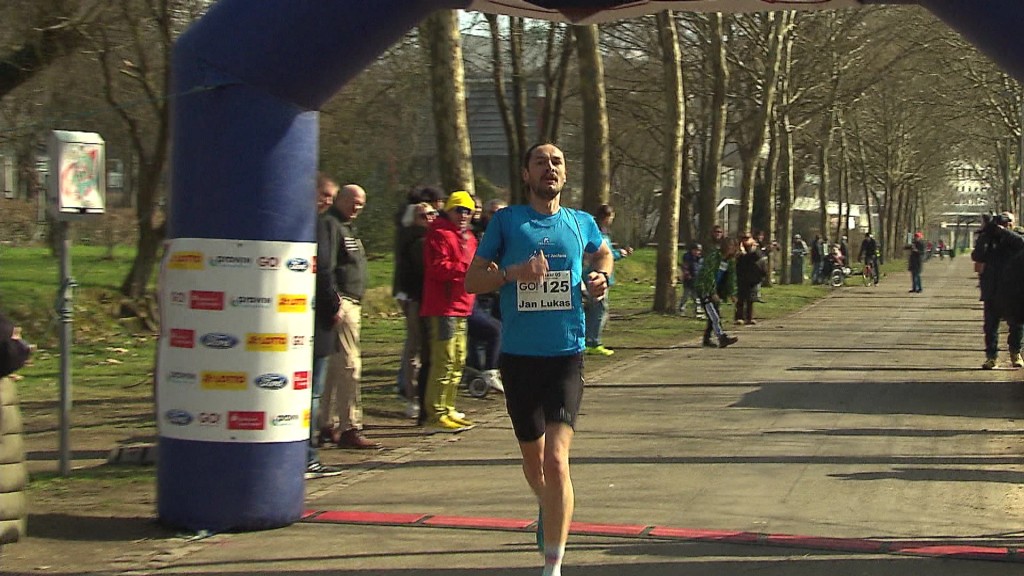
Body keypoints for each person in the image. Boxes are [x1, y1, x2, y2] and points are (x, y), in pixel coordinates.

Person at [465, 143, 613, 576]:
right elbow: (473, 279)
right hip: (519, 358)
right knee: (534, 463)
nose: (549, 168)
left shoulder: (581, 222)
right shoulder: (507, 222)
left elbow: (602, 252)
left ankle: (553, 565)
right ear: (526, 174)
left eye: (557, 162)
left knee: (557, 459)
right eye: (540, 162)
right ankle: (547, 506)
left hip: (566, 355)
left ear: (565, 175)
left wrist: (601, 275)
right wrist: (513, 273)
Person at [317, 183, 381, 449]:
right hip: (342, 304)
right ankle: (350, 426)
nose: (357, 208)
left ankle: (325, 423)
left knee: (335, 369)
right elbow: (326, 266)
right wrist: (335, 302)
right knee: (349, 366)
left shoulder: (348, 228)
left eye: (361, 204)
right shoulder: (330, 225)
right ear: (339, 199)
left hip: (352, 302)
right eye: (352, 201)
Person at [419, 191, 479, 431]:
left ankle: (449, 406)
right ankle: (436, 413)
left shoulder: (469, 237)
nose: (463, 215)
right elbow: (438, 267)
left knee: (458, 360)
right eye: (459, 210)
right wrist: (469, 269)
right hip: (443, 307)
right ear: (449, 210)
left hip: (463, 305)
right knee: (443, 360)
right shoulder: (440, 233)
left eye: (468, 211)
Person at [308, 174, 344, 477]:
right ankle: (308, 455)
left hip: (303, 320)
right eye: (324, 195)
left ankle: (307, 452)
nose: (327, 202)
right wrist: (334, 305)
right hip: (314, 321)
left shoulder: (317, 223)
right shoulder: (317, 226)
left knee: (312, 391)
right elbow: (324, 272)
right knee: (312, 392)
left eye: (331, 197)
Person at [395, 200, 437, 418]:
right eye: (424, 215)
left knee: (427, 350)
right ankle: (412, 397)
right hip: (417, 301)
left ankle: (424, 398)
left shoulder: (430, 238)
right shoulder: (414, 240)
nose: (429, 218)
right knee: (415, 350)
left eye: (432, 214)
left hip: (429, 301)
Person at [971, 212, 1024, 369]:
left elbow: (1021, 243)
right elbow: (977, 256)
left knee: (1017, 325)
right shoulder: (989, 238)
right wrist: (986, 233)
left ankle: (1015, 352)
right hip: (992, 288)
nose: (1005, 224)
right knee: (990, 326)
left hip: (1014, 290)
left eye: (1008, 222)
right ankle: (991, 357)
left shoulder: (1017, 236)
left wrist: (1003, 231)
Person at [467, 198, 507, 393]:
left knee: (500, 329)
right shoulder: (476, 233)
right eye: (491, 212)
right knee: (479, 335)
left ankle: (495, 370)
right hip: (481, 291)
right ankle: (477, 372)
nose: (494, 216)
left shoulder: (510, 232)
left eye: (499, 212)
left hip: (501, 288)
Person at [584, 203, 632, 356]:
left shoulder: (598, 231)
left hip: (594, 275)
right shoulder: (599, 234)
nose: (611, 221)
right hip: (597, 276)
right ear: (606, 218)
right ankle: (592, 341)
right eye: (611, 218)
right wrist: (621, 253)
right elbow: (605, 255)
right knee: (599, 309)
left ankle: (589, 340)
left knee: (594, 309)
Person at [696, 236, 739, 348]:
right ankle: (721, 338)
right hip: (705, 289)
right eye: (731, 246)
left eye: (734, 246)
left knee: (713, 316)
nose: (733, 248)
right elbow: (708, 275)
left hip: (717, 290)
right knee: (714, 316)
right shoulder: (714, 257)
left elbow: (731, 278)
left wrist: (732, 293)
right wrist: (711, 291)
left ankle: (707, 339)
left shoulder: (729, 261)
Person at [734, 234, 764, 325]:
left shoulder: (755, 249)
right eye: (744, 239)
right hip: (742, 276)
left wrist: (752, 249)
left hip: (753, 277)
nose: (746, 241)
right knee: (741, 299)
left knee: (751, 299)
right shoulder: (739, 249)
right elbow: (739, 259)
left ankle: (750, 317)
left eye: (747, 239)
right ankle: (739, 317)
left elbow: (756, 257)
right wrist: (741, 251)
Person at [678, 242, 704, 317]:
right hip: (688, 281)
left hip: (696, 280)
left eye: (698, 250)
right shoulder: (687, 258)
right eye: (695, 250)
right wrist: (687, 275)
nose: (697, 252)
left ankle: (698, 309)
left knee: (696, 297)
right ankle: (681, 307)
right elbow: (685, 267)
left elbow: (701, 269)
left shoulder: (700, 259)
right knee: (686, 295)